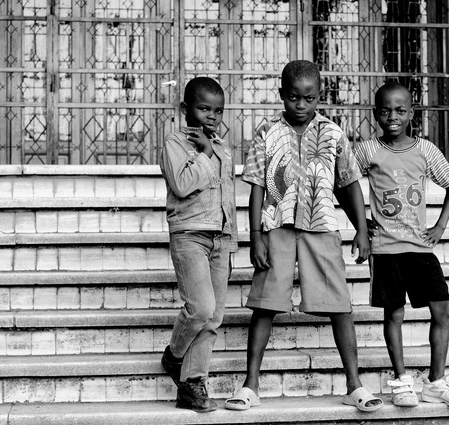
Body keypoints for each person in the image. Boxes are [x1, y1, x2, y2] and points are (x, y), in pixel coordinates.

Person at [225, 60, 384, 413]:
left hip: (321, 227)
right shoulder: (267, 132)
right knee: (265, 304)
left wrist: (362, 228)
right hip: (276, 227)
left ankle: (354, 384)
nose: (301, 105)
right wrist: (255, 236)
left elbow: (349, 183)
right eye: (294, 97)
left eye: (309, 98)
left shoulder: (333, 133)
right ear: (282, 95)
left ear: (319, 97)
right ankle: (250, 385)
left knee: (339, 305)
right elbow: (255, 186)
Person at [353, 82, 449, 409]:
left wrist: (439, 226)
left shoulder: (425, 150)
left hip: (420, 248)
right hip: (385, 248)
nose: (392, 116)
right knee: (394, 312)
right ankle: (402, 380)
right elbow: (345, 183)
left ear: (411, 113)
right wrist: (361, 226)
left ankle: (436, 381)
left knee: (443, 308)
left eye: (400, 110)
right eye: (385, 110)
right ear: (375, 113)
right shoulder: (367, 150)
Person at [158, 77, 237, 412]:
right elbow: (183, 184)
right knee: (200, 308)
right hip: (189, 235)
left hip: (220, 236)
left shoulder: (222, 146)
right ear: (185, 109)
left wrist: (232, 236)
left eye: (217, 111)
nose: (211, 116)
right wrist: (204, 153)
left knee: (214, 317)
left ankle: (192, 385)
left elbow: (227, 192)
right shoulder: (175, 143)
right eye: (204, 108)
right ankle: (174, 355)